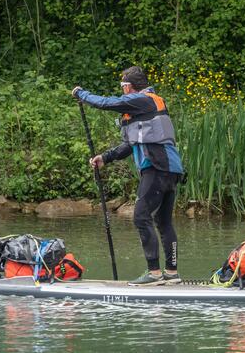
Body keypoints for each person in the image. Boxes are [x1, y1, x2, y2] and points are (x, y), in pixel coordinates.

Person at [72, 66, 184, 286]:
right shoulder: (147, 106)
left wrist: (81, 94)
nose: (122, 91)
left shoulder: (143, 100)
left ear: (129, 87)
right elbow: (131, 144)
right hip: (170, 168)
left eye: (123, 86)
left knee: (141, 216)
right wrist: (105, 157)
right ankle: (171, 274)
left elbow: (106, 103)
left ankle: (153, 274)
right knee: (163, 221)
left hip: (157, 167)